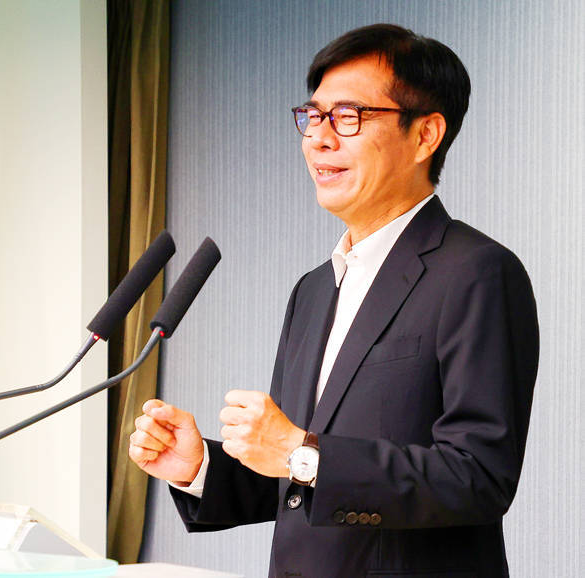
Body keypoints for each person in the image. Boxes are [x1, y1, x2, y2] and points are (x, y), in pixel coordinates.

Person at [128, 23, 539, 577]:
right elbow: (297, 475)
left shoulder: (479, 273)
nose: (320, 138)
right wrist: (202, 465)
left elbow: (478, 478)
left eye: (349, 117)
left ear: (425, 135)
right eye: (313, 116)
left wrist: (303, 453)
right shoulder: (314, 288)